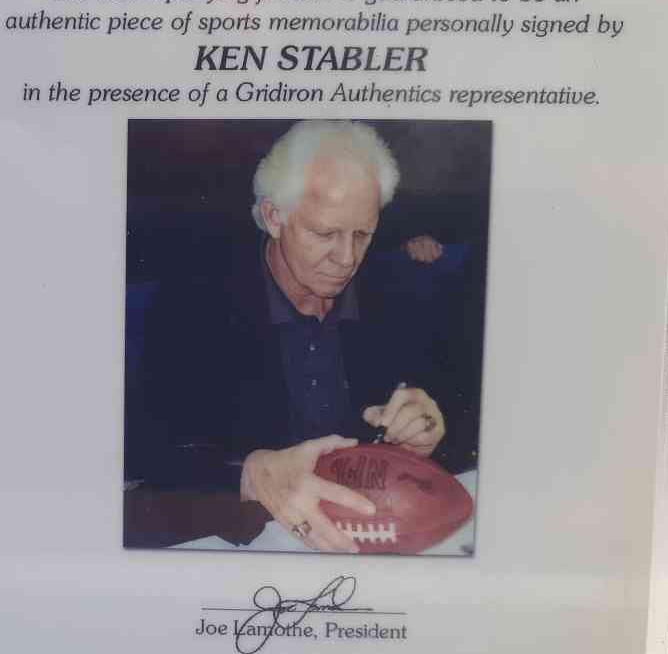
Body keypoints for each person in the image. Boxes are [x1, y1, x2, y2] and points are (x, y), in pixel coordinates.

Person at [125, 120, 453, 552]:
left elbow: (454, 409)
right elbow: (144, 451)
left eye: (362, 235)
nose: (346, 258)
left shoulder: (393, 291)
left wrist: (428, 425)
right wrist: (248, 474)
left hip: (365, 534)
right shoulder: (194, 304)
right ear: (273, 216)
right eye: (325, 234)